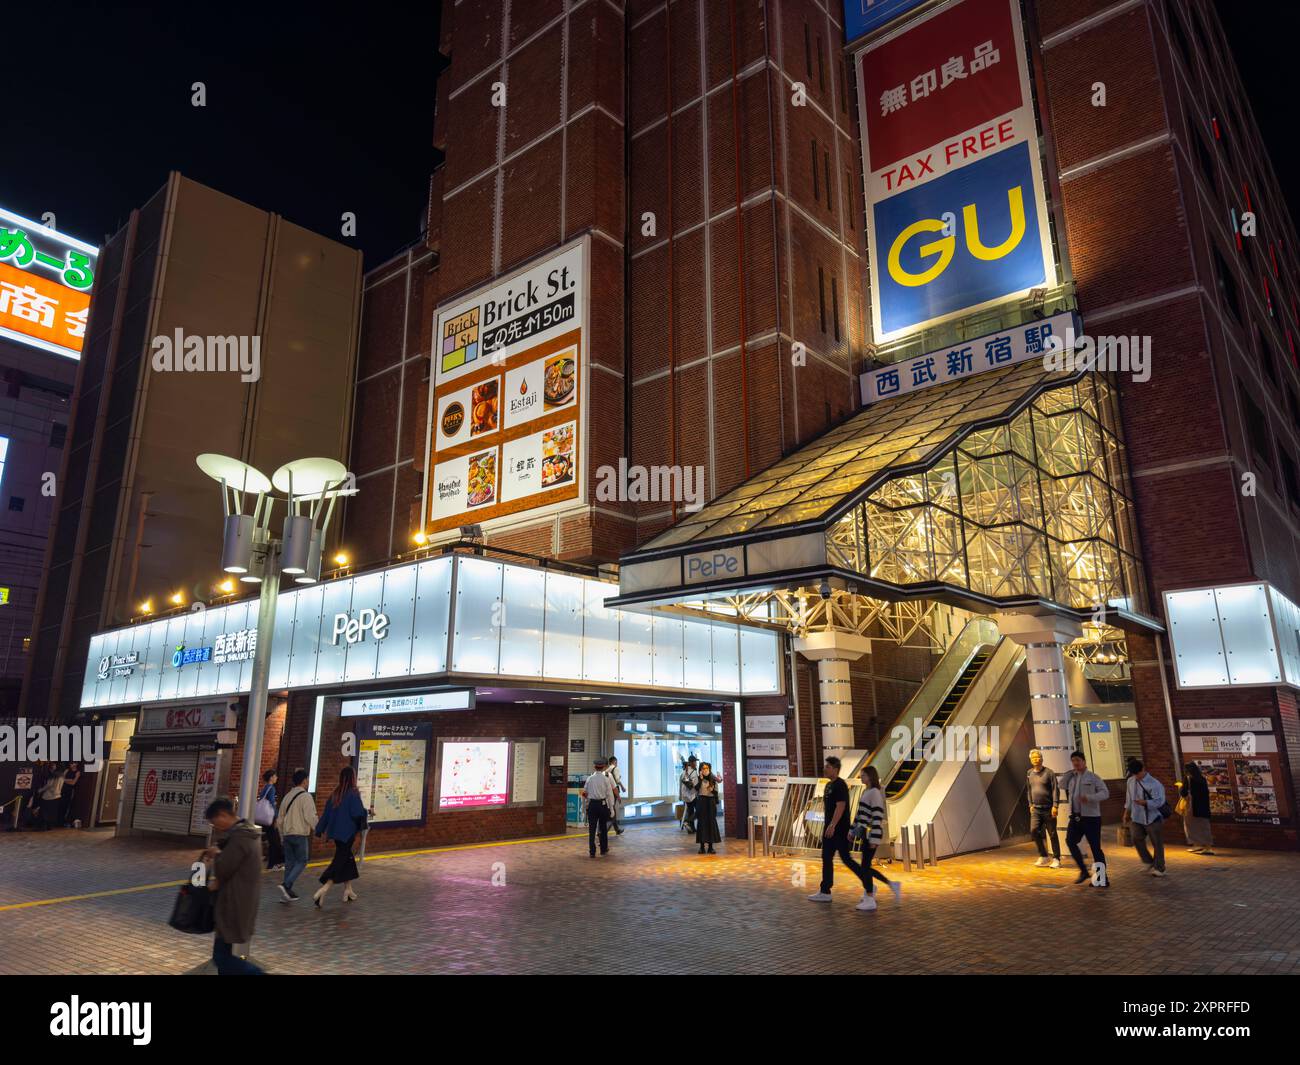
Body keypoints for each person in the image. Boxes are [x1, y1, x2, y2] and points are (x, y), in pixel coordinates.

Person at [202, 797, 265, 975]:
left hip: (235, 903)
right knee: (223, 956)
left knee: (221, 957)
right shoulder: (242, 833)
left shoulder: (240, 837)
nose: (215, 826)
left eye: (214, 822)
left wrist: (215, 855)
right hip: (236, 900)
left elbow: (224, 868)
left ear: (222, 815)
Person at [807, 756, 870, 904]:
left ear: (835, 769)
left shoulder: (840, 785)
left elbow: (840, 806)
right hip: (830, 829)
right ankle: (825, 890)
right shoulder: (829, 785)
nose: (825, 769)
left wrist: (832, 825)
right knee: (826, 857)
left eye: (828, 767)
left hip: (838, 830)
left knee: (846, 859)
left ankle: (869, 884)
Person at [312, 767, 368, 907]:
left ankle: (348, 890)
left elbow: (326, 815)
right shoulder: (353, 794)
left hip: (336, 834)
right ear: (353, 778)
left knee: (347, 858)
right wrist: (366, 812)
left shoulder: (335, 794)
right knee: (340, 860)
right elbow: (357, 813)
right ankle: (323, 889)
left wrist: (319, 830)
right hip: (347, 833)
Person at [851, 764, 900, 911]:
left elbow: (877, 817)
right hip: (867, 834)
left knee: (864, 867)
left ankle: (872, 894)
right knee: (865, 866)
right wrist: (852, 830)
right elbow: (860, 815)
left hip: (871, 834)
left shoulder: (874, 793)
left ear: (870, 776)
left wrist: (873, 838)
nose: (861, 777)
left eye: (863, 775)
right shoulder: (868, 791)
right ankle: (872, 890)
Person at [1058, 751, 1110, 886]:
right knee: (1070, 841)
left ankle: (1101, 879)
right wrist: (1069, 772)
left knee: (1095, 848)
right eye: (1073, 761)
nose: (1075, 763)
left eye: (1078, 760)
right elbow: (1061, 785)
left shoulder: (1093, 778)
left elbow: (1105, 793)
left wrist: (1090, 798)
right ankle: (1083, 871)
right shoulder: (1072, 778)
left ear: (1084, 761)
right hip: (1075, 817)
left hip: (1091, 818)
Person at [275, 768, 317, 902]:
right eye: (308, 780)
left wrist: (282, 835)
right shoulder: (306, 796)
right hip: (299, 834)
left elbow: (280, 819)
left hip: (287, 834)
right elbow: (310, 816)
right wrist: (319, 829)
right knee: (302, 861)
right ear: (304, 781)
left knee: (290, 863)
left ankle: (285, 894)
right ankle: (286, 885)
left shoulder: (287, 796)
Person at [1124, 758, 1168, 877]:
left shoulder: (1154, 784)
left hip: (1152, 817)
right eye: (1134, 774)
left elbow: (1160, 801)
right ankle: (1148, 861)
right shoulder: (1130, 781)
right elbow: (1128, 798)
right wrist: (1126, 812)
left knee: (1157, 843)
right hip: (1136, 817)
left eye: (1138, 773)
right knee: (1136, 838)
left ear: (1143, 769)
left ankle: (1160, 867)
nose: (1136, 776)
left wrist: (1146, 803)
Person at [1026, 748, 1061, 868]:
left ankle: (1056, 858)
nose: (1036, 759)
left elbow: (1055, 789)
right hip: (1035, 809)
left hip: (1048, 808)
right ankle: (1044, 856)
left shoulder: (1049, 773)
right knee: (1034, 831)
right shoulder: (1029, 773)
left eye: (1038, 757)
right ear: (1031, 760)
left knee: (1052, 834)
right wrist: (1030, 804)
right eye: (1033, 758)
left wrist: (1055, 805)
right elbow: (1029, 790)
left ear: (1042, 759)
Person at [1178, 762, 1214, 855]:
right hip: (1203, 806)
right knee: (1204, 826)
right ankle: (1207, 847)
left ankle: (1197, 844)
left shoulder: (1188, 779)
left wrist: (1180, 787)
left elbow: (1183, 792)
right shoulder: (1202, 779)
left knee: (1191, 825)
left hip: (1192, 806)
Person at [583, 759, 615, 857]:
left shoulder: (589, 779)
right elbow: (609, 795)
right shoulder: (606, 779)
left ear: (595, 767)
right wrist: (612, 808)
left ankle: (592, 851)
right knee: (603, 828)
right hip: (602, 805)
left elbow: (584, 793)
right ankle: (603, 849)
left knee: (592, 829)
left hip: (592, 805)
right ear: (603, 767)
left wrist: (584, 807)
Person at [256, 769, 284, 870]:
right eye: (275, 776)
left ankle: (273, 864)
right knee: (275, 841)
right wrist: (275, 818)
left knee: (273, 841)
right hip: (270, 819)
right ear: (271, 777)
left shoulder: (265, 788)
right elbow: (272, 803)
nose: (276, 778)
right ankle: (273, 864)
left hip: (263, 819)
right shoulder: (271, 788)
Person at [695, 762, 722, 854]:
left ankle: (711, 847)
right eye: (703, 768)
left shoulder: (713, 778)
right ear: (700, 770)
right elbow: (695, 789)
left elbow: (716, 792)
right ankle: (702, 846)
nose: (705, 770)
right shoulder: (698, 778)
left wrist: (712, 790)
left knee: (711, 822)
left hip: (710, 802)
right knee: (702, 822)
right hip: (701, 801)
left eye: (706, 768)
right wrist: (700, 780)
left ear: (709, 769)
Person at [39, 763, 67, 830]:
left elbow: (49, 785)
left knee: (45, 811)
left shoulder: (52, 776)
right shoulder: (62, 776)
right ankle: (50, 826)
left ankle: (43, 826)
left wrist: (40, 790)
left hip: (48, 796)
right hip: (57, 796)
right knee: (52, 812)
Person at [605, 755, 626, 836]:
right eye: (616, 762)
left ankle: (616, 829)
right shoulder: (615, 768)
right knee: (612, 810)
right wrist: (623, 787)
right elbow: (617, 780)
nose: (617, 763)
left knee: (611, 809)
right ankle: (604, 831)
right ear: (614, 762)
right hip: (614, 790)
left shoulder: (607, 770)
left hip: (608, 791)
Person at [679, 756, 700, 832]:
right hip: (692, 795)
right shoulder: (693, 772)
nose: (696, 763)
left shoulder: (684, 771)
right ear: (691, 763)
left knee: (690, 811)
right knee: (699, 810)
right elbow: (695, 784)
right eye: (695, 762)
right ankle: (687, 821)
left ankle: (691, 829)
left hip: (685, 796)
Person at [59, 762, 82, 827]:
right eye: (70, 763)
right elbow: (61, 779)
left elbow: (73, 783)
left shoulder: (78, 772)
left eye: (73, 763)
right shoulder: (67, 770)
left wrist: (65, 780)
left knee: (66, 806)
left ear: (76, 764)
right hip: (62, 790)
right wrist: (69, 780)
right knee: (60, 805)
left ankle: (62, 822)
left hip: (70, 791)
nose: (71, 765)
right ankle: (58, 821)